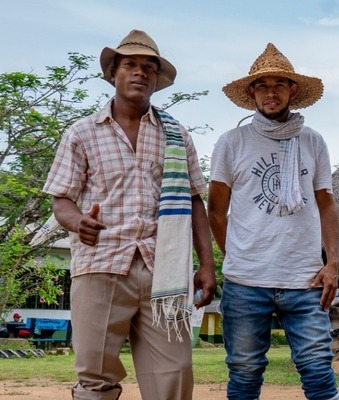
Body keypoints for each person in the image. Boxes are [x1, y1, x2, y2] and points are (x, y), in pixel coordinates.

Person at [42, 30, 216, 400]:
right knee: (96, 375)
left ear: (156, 79)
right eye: (131, 65)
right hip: (101, 262)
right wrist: (77, 222)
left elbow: (194, 201)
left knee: (176, 371)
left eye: (149, 67)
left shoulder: (177, 135)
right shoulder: (83, 133)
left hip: (164, 268)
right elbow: (61, 200)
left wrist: (207, 264)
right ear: (113, 74)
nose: (140, 73)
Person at [208, 43, 339, 400]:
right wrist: (235, 253)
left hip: (305, 278)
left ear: (292, 90)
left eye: (279, 84)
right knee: (245, 372)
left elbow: (326, 204)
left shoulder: (312, 141)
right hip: (246, 281)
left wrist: (333, 262)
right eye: (262, 85)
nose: (271, 92)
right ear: (251, 92)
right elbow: (216, 211)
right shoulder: (232, 142)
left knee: (317, 369)